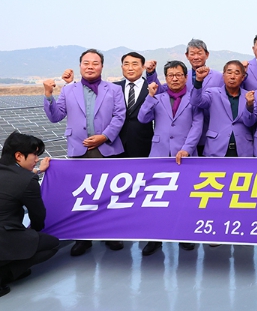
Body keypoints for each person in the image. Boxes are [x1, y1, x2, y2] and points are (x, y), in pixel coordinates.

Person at [43, 49, 126, 256]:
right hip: (78, 150)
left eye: (95, 63)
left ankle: (110, 235)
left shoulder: (114, 89)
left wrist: (104, 136)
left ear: (102, 66)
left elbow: (119, 116)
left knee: (109, 195)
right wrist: (48, 95)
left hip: (106, 149)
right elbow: (55, 117)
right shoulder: (68, 90)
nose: (90, 66)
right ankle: (83, 238)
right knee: (81, 196)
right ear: (80, 66)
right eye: (86, 63)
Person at [138, 61, 203, 255]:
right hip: (159, 154)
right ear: (165, 78)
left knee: (184, 198)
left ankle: (184, 235)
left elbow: (197, 126)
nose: (175, 78)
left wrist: (187, 149)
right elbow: (143, 118)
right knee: (157, 199)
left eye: (178, 75)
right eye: (171, 75)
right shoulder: (157, 97)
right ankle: (155, 238)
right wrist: (150, 96)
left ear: (185, 77)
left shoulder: (194, 98)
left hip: (185, 156)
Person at [0, 132, 59, 297]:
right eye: (35, 154)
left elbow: (13, 181)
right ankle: (5, 274)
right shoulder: (27, 181)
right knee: (51, 244)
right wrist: (33, 232)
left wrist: (37, 171)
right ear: (19, 156)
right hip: (3, 238)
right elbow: (38, 216)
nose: (37, 159)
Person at [147, 38, 225, 155]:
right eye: (192, 54)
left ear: (207, 55)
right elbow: (160, 91)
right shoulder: (180, 75)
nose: (196, 57)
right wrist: (151, 73)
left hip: (210, 132)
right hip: (184, 136)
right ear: (187, 56)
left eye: (199, 53)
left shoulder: (219, 77)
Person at [190, 60, 255, 157]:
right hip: (216, 149)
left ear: (243, 77)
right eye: (229, 72)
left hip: (243, 150)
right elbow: (195, 101)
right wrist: (198, 81)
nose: (232, 76)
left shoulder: (249, 96)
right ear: (223, 76)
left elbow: (250, 122)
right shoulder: (213, 93)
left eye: (237, 73)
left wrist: (249, 105)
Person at [114, 52, 154, 157]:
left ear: (143, 67)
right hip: (116, 146)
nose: (130, 68)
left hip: (144, 146)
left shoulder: (152, 88)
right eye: (126, 64)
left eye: (135, 64)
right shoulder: (114, 88)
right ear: (122, 67)